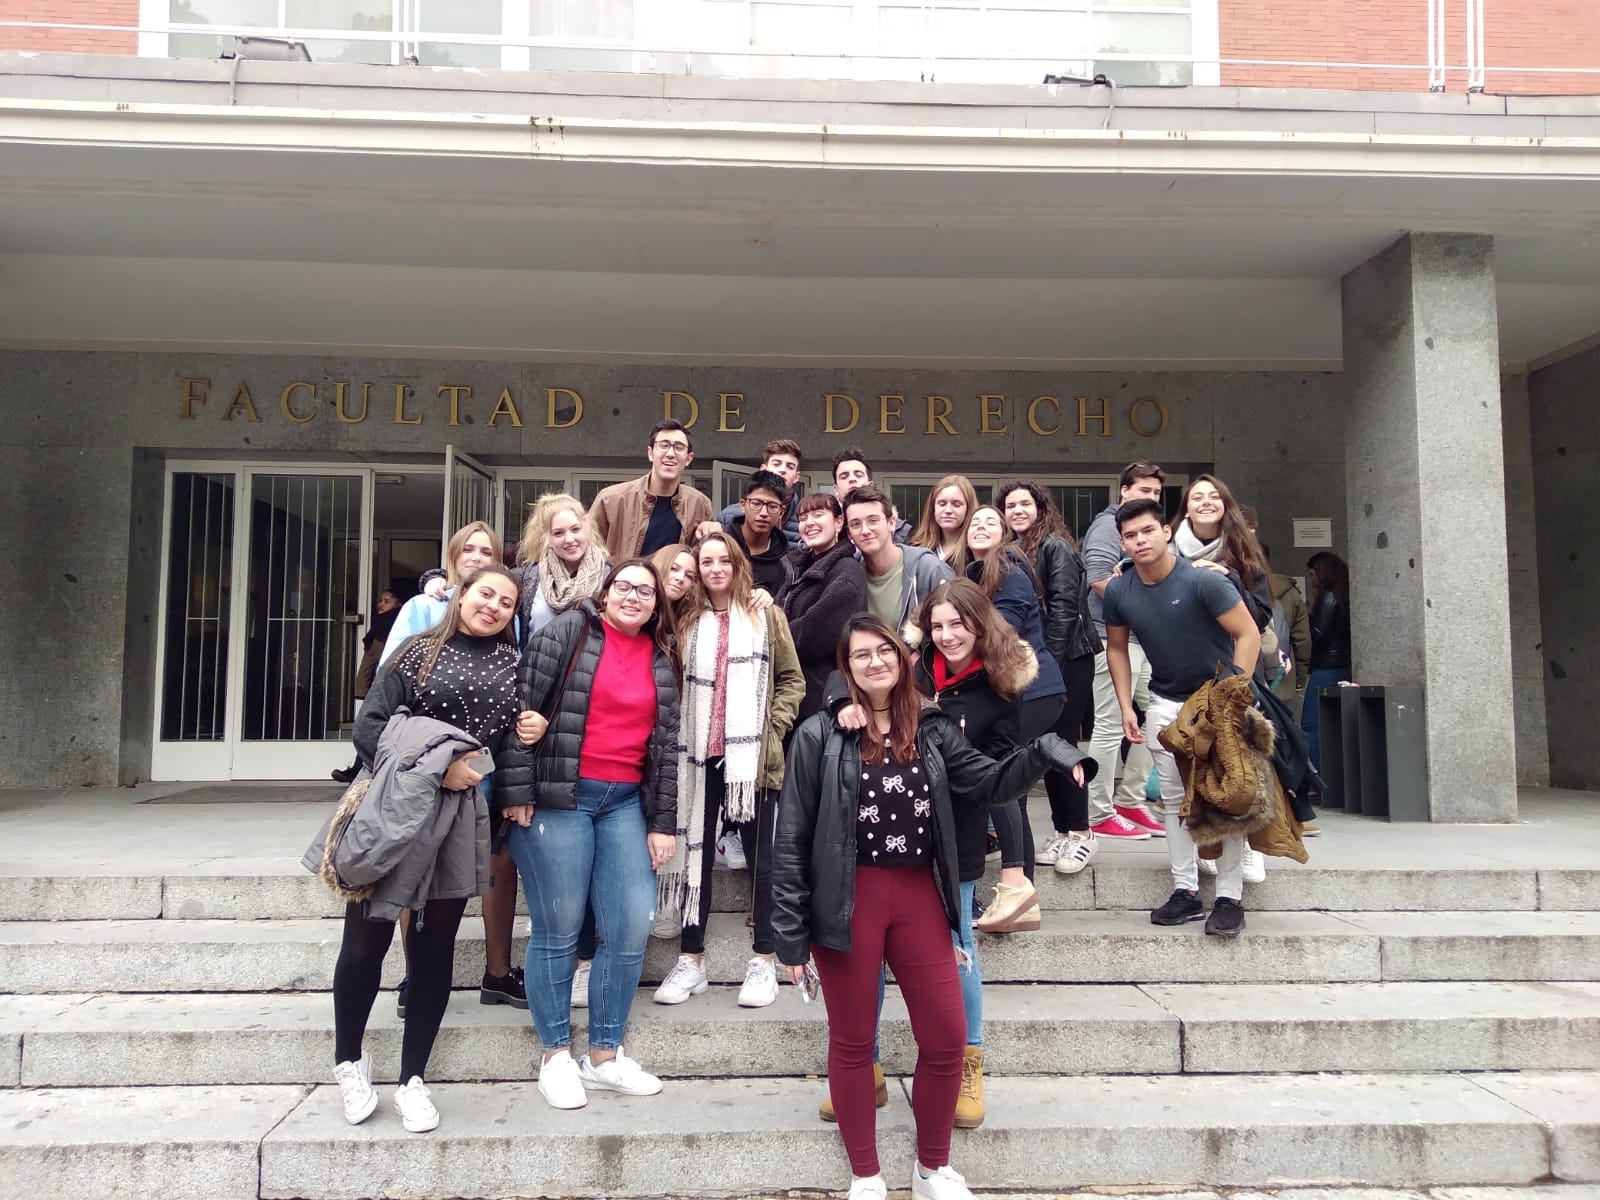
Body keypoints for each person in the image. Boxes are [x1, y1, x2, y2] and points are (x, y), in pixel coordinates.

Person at [772, 615, 1089, 1200]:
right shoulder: (821, 734)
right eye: (861, 655)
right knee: (852, 1041)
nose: (875, 662)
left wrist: (1045, 749)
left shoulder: (933, 729)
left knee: (946, 1038)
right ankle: (865, 1174)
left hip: (919, 894)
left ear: (902, 657)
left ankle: (932, 1168)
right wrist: (788, 935)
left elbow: (990, 783)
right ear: (846, 668)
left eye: (884, 651)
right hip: (848, 902)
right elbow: (790, 837)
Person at [317, 564, 525, 1134]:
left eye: (506, 602)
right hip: (392, 809)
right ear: (462, 594)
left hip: (459, 818)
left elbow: (508, 744)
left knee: (434, 948)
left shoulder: (513, 665)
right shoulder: (417, 651)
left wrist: (514, 760)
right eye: (485, 594)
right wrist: (436, 768)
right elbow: (370, 726)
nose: (493, 606)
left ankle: (413, 1078)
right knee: (365, 942)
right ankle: (349, 1062)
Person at [912, 579, 1096, 1129]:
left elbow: (998, 778)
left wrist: (1015, 866)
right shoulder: (914, 671)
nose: (947, 636)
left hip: (959, 832)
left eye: (957, 625)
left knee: (958, 944)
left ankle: (968, 1061)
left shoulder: (1002, 685)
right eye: (938, 626)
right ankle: (867, 1063)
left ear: (979, 624)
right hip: (900, 826)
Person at [498, 559, 681, 1110]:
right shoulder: (567, 632)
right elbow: (520, 713)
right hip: (559, 797)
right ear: (605, 593)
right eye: (624, 586)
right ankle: (555, 1055)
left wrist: (663, 823)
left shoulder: (661, 656)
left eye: (645, 591)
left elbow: (666, 750)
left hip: (624, 802)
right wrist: (515, 791)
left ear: (657, 604)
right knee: (558, 929)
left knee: (629, 927)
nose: (633, 596)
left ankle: (603, 1056)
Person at [374, 521, 524, 1012]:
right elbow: (389, 693)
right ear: (454, 558)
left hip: (484, 767)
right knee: (419, 869)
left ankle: (497, 972)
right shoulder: (422, 609)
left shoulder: (503, 615)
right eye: (469, 550)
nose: (478, 557)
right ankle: (415, 974)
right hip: (425, 766)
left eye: (488, 551)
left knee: (495, 865)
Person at [654, 531, 804, 1009]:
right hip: (695, 757)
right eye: (707, 562)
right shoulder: (686, 617)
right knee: (694, 853)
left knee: (762, 860)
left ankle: (763, 959)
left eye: (724, 560)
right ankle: (691, 960)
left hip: (751, 759)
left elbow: (791, 681)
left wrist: (771, 731)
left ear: (738, 565)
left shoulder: (766, 615)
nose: (716, 569)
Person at [1104, 499, 1263, 938]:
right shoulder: (1119, 590)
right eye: (1131, 535)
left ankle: (1229, 897)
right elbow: (1116, 648)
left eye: (1147, 531)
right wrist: (1126, 706)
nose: (1140, 541)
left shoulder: (1202, 580)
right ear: (1122, 543)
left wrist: (1232, 694)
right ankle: (1185, 890)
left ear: (1166, 531)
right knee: (1174, 801)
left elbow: (1248, 633)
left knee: (1227, 797)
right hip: (1164, 702)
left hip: (1218, 701)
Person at [513, 492, 612, 1009]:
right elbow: (476, 590)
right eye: (558, 532)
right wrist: (433, 582)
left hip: (594, 715)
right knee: (553, 835)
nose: (569, 538)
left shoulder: (611, 576)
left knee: (589, 841)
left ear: (589, 530)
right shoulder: (529, 580)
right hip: (539, 715)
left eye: (576, 529)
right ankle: (560, 936)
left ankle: (586, 956)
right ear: (545, 537)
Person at [963, 505, 1066, 920]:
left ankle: (1019, 890)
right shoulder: (975, 574)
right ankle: (1021, 893)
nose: (980, 526)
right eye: (975, 522)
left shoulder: (1007, 568)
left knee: (1003, 786)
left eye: (991, 521)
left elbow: (1002, 631)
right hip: (1012, 693)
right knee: (1010, 790)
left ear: (1005, 534)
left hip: (1033, 690)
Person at [1173, 475, 1276, 884]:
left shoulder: (1243, 552)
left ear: (1225, 503)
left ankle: (1249, 846)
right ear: (1186, 507)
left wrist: (1227, 580)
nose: (1205, 502)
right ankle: (1206, 843)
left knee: (1238, 763)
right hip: (1187, 670)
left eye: (1213, 496)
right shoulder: (1169, 551)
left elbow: (1261, 616)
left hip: (1235, 669)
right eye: (1196, 496)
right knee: (1193, 763)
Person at [998, 480, 1103, 876]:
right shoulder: (1015, 550)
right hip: (1040, 663)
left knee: (1064, 744)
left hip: (1068, 659)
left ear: (1040, 508)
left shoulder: (1054, 546)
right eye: (1010, 505)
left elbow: (1064, 610)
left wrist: (1048, 667)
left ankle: (1081, 832)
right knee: (1049, 747)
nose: (1018, 510)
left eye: (1025, 503)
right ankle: (1063, 831)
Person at [1080, 463, 1169, 841]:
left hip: (1140, 639)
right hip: (1110, 637)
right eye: (1144, 490)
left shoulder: (1146, 528)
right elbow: (1099, 578)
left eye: (1157, 493)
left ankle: (1131, 799)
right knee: (1112, 723)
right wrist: (1145, 609)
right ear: (1124, 491)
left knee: (1161, 717)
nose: (1152, 498)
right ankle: (1098, 812)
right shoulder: (1108, 524)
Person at [777, 492, 869, 725]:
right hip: (789, 693)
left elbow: (810, 634)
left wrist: (769, 634)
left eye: (818, 515)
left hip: (820, 700)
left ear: (838, 522)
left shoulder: (847, 572)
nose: (809, 523)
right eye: (803, 518)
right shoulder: (796, 567)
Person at [589, 419, 714, 560]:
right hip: (623, 575)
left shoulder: (699, 504)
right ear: (650, 453)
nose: (670, 453)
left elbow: (705, 557)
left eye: (679, 447)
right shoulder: (611, 500)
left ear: (689, 458)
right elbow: (588, 552)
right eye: (664, 445)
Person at [844, 484, 953, 632]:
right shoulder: (847, 574)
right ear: (849, 533)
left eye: (873, 521)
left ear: (891, 523)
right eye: (855, 524)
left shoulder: (928, 569)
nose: (865, 530)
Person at [332, 589, 402, 785]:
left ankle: (362, 769)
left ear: (398, 605)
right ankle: (360, 768)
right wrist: (363, 690)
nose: (381, 604)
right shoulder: (379, 627)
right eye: (380, 600)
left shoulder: (395, 626)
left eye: (387, 601)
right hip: (381, 689)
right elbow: (369, 662)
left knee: (376, 726)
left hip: (391, 689)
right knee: (372, 726)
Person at [1301, 551, 1352, 777]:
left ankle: (1315, 775)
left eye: (1312, 574)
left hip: (1326, 666)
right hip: (1343, 664)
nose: (1311, 579)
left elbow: (1317, 633)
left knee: (1311, 723)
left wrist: (1306, 618)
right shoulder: (1345, 593)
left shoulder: (1328, 596)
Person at [720, 469, 794, 599]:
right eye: (756, 504)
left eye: (772, 506)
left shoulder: (786, 562)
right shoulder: (720, 544)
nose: (763, 513)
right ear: (743, 505)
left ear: (781, 512)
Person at [716, 438, 805, 541]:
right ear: (763, 469)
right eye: (776, 464)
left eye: (790, 467)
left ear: (797, 477)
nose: (782, 470)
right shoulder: (729, 516)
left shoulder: (806, 520)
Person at [832, 448, 911, 543]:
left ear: (870, 485)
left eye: (858, 475)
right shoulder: (826, 532)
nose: (852, 479)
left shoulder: (899, 531)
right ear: (836, 490)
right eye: (844, 477)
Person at [911, 474, 979, 569]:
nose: (948, 510)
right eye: (942, 504)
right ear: (933, 508)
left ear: (968, 508)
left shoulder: (976, 551)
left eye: (956, 504)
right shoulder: (916, 550)